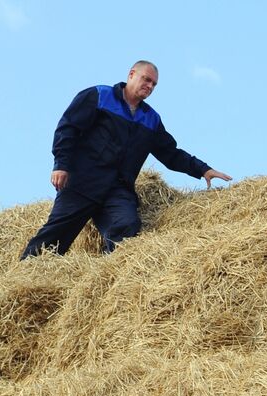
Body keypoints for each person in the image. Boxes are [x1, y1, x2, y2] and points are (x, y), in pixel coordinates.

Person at [20, 60, 231, 258]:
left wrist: (203, 169)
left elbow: (171, 153)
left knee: (126, 231)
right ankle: (25, 277)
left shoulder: (150, 119)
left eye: (154, 84)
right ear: (131, 75)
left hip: (118, 190)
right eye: (146, 79)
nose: (150, 86)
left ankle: (105, 283)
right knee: (53, 239)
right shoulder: (100, 96)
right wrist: (61, 165)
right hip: (83, 182)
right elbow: (68, 128)